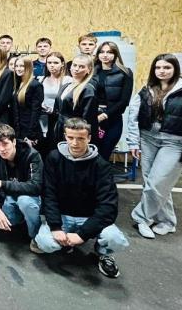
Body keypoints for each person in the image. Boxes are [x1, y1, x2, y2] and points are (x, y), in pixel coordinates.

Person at [127, 54, 182, 239]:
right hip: (148, 139)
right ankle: (167, 221)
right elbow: (133, 117)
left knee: (156, 183)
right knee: (155, 184)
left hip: (174, 143)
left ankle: (141, 218)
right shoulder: (146, 90)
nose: (162, 71)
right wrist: (133, 142)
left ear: (175, 69)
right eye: (158, 67)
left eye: (167, 67)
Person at [34, 117, 129, 279]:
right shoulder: (54, 158)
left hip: (88, 217)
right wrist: (55, 227)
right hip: (62, 216)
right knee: (45, 243)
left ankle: (103, 253)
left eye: (80, 138)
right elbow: (49, 195)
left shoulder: (101, 166)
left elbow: (108, 207)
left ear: (89, 138)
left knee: (116, 239)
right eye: (70, 137)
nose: (75, 143)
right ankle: (65, 242)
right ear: (65, 136)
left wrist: (82, 235)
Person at [0, 124, 43, 242]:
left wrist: (2, 184)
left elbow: (36, 186)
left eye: (5, 144)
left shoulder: (32, 155)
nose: (1, 149)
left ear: (14, 142)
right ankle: (22, 218)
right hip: (10, 196)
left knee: (25, 202)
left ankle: (35, 236)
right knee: (8, 220)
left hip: (30, 196)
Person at [93, 41, 134, 160]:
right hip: (93, 117)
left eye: (109, 52)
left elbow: (124, 101)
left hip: (112, 119)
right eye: (102, 52)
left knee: (104, 155)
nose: (105, 55)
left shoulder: (125, 72)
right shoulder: (91, 71)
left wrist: (104, 115)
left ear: (116, 54)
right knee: (92, 154)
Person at [53, 54, 98, 144]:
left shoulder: (88, 90)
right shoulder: (66, 86)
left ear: (88, 70)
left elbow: (88, 119)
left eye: (81, 67)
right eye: (74, 65)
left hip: (75, 133)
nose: (76, 69)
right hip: (60, 129)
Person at [38, 52, 73, 158]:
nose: (52, 65)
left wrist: (53, 111)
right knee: (44, 148)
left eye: (55, 63)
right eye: (49, 63)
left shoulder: (68, 80)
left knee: (56, 148)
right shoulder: (42, 79)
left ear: (62, 64)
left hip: (59, 118)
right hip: (43, 118)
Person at [10, 57, 44, 147]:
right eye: (16, 66)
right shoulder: (17, 84)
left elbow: (36, 112)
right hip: (18, 129)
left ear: (28, 67)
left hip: (30, 131)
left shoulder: (35, 85)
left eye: (22, 66)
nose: (18, 68)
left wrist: (30, 135)